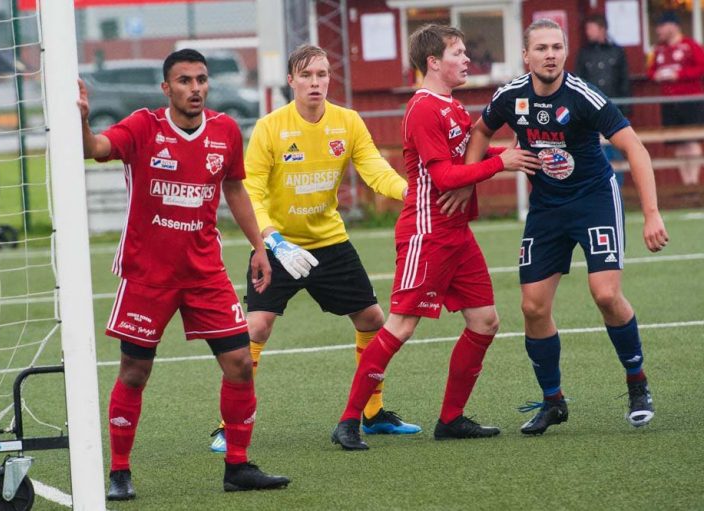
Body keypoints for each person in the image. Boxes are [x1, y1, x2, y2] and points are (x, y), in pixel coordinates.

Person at [78, 48, 290, 499]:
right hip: (148, 275)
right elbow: (94, 149)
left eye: (201, 80)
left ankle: (238, 466)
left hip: (205, 273)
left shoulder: (225, 130)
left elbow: (234, 188)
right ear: (166, 88)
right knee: (134, 372)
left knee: (240, 365)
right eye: (185, 81)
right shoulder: (143, 126)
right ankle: (119, 472)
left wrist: (259, 246)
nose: (195, 88)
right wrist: (81, 120)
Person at [330, 24, 541, 450]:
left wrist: (509, 153)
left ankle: (451, 419)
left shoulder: (451, 105)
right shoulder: (424, 109)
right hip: (426, 233)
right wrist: (501, 164)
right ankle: (349, 421)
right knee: (401, 326)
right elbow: (444, 177)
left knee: (485, 321)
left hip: (456, 232)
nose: (466, 59)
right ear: (433, 62)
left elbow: (462, 158)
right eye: (457, 53)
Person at [209, 44, 425, 453]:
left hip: (329, 242)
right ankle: (228, 425)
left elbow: (375, 169)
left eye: (322, 74)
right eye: (306, 75)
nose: (315, 82)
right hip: (276, 246)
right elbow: (251, 192)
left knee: (372, 319)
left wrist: (408, 192)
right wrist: (271, 240)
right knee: (256, 327)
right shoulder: (270, 128)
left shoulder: (348, 122)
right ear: (291, 80)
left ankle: (373, 413)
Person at [468, 19, 669, 436]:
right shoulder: (510, 96)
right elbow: (480, 131)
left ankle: (637, 383)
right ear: (526, 55)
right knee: (533, 307)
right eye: (541, 48)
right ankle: (553, 401)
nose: (550, 55)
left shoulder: (583, 96)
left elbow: (635, 147)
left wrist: (651, 213)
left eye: (557, 47)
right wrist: (469, 182)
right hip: (547, 208)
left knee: (606, 294)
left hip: (594, 201)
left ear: (564, 52)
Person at [647, 11, 704, 186]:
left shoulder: (690, 46)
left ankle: (694, 183)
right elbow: (650, 70)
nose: (658, 30)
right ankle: (686, 184)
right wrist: (656, 75)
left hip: (690, 101)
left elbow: (701, 67)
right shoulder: (658, 49)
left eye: (661, 26)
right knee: (678, 143)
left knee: (691, 140)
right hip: (669, 102)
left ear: (673, 26)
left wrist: (679, 74)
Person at [575, 13, 631, 186]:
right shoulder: (584, 53)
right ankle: (600, 186)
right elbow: (579, 81)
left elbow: (624, 81)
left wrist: (626, 109)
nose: (588, 32)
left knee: (616, 148)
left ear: (602, 29)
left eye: (591, 28)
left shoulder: (617, 51)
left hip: (614, 108)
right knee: (596, 149)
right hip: (591, 110)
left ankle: (617, 186)